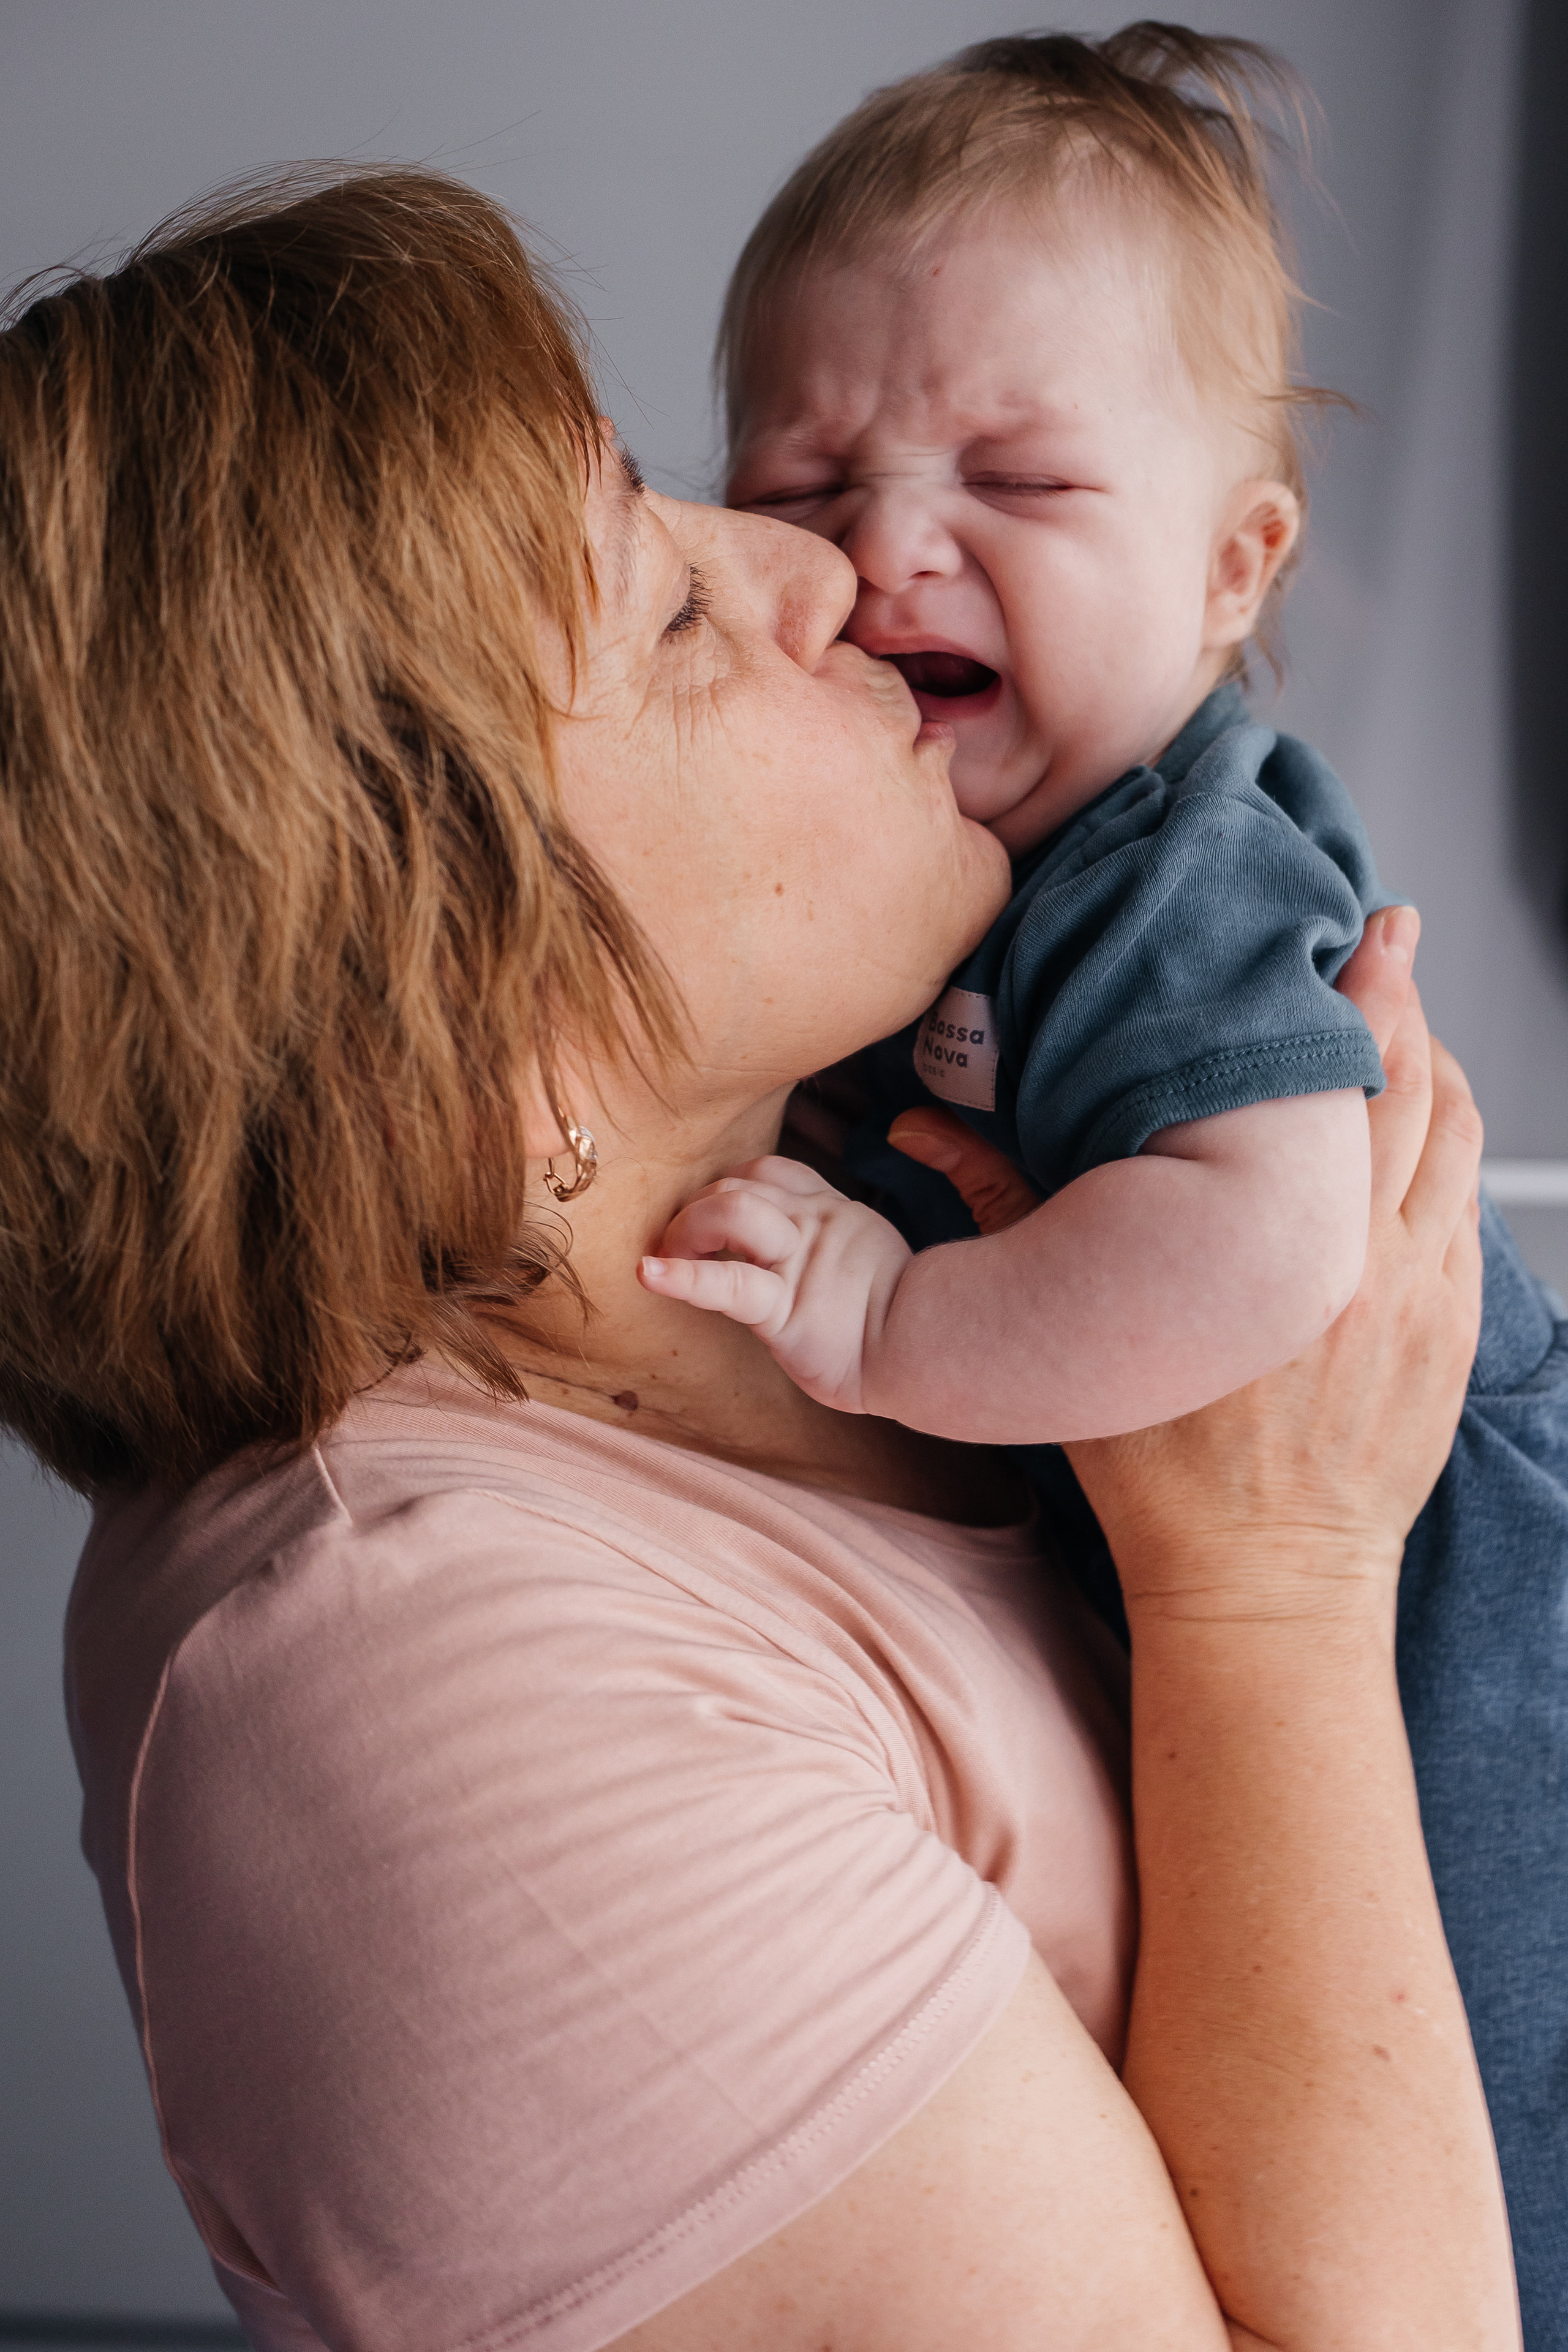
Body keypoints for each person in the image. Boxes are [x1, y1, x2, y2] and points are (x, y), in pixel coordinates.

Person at [0, 168, 1517, 2351]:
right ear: (474, 1027)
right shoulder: (408, 1714)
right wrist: (1263, 1576)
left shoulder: (901, 1194)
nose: (820, 571)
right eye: (676, 619)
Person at [644, 32, 1568, 2339]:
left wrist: (882, 1323)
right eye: (811, 470)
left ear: (1233, 563)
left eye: (1020, 479)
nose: (889, 542)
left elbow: (1271, 1248)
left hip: (1471, 1608)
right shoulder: (940, 869)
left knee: (1487, 2096)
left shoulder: (1170, 872)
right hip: (1232, 1571)